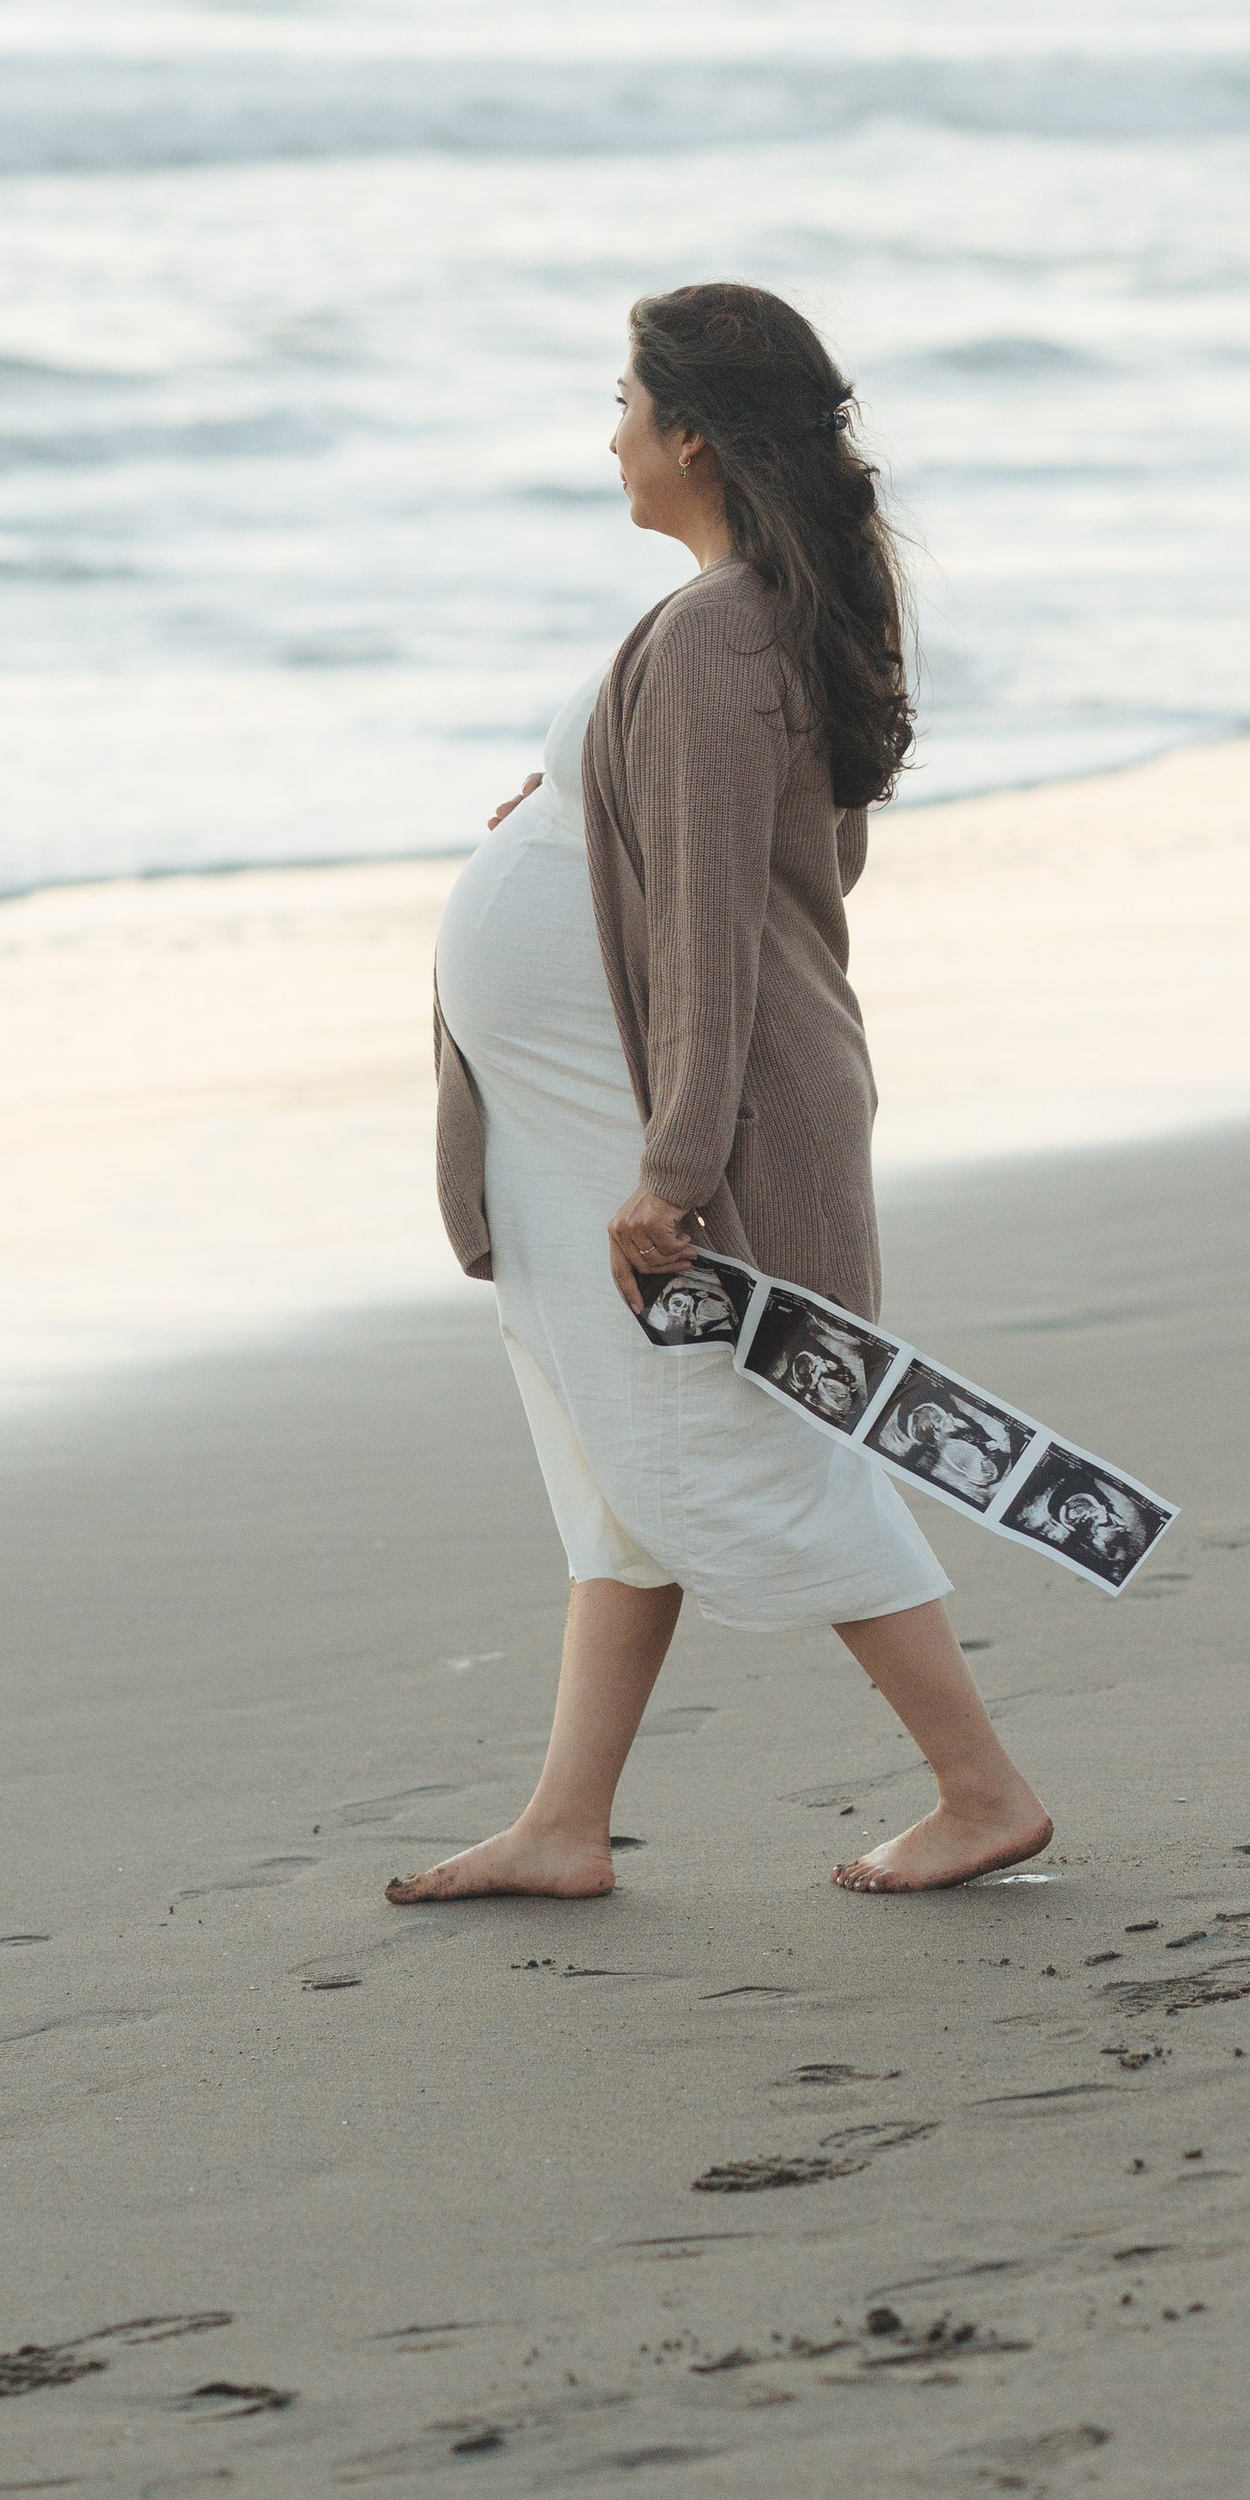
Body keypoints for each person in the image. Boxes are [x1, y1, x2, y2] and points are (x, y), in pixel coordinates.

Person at [395, 280, 1051, 1902]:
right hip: (585, 1104)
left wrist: (675, 1164)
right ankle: (564, 1821)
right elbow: (788, 852)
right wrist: (589, 792)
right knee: (620, 1465)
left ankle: (981, 1788)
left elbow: (709, 925)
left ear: (691, 432)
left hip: (639, 1116)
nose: (609, 433)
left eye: (625, 402)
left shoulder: (713, 632)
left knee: (736, 1455)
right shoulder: (759, 612)